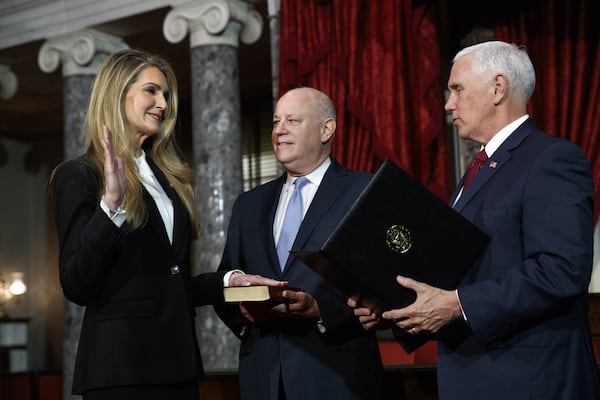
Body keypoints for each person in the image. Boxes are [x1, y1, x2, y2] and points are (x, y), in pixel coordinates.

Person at [349, 40, 600, 399]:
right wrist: (392, 303)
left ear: (498, 87)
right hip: (473, 376)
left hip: (530, 381)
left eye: (457, 89)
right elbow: (461, 272)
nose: (449, 104)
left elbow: (561, 271)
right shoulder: (477, 169)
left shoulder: (551, 158)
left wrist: (458, 305)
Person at [50, 48, 283, 400]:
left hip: (178, 366)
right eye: (152, 91)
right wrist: (110, 206)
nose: (163, 103)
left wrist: (229, 281)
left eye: (166, 95)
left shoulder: (168, 180)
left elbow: (167, 280)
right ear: (118, 92)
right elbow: (76, 284)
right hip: (121, 370)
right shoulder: (79, 175)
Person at [213, 87, 385, 400]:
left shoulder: (366, 191)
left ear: (326, 129)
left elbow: (384, 283)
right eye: (276, 121)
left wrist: (322, 310)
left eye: (292, 120)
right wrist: (244, 310)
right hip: (263, 378)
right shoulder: (249, 204)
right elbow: (227, 276)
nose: (279, 130)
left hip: (337, 376)